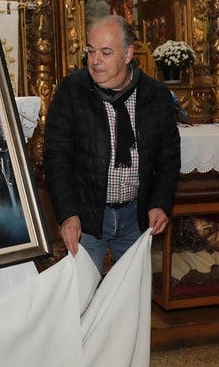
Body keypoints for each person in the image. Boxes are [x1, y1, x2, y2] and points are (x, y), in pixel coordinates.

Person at [43, 14, 181, 275]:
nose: (95, 61)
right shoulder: (72, 91)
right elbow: (56, 156)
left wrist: (160, 203)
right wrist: (68, 213)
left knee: (131, 299)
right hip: (87, 217)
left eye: (106, 52)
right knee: (83, 298)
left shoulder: (156, 96)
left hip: (135, 217)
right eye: (91, 51)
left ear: (128, 54)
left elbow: (168, 156)